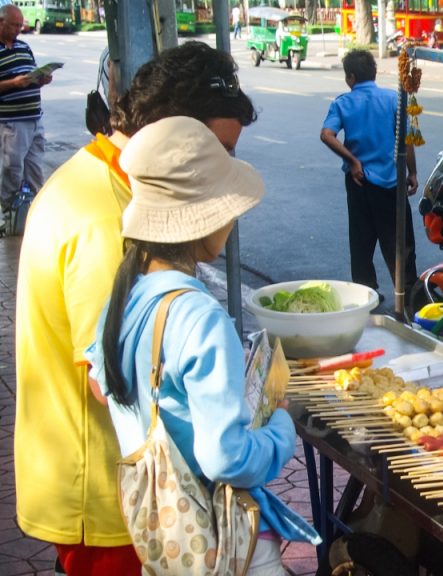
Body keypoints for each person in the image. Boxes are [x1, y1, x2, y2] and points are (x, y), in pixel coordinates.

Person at [15, 41, 257, 576]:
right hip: (110, 498)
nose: (223, 169)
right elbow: (118, 379)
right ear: (172, 136)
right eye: (215, 151)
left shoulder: (110, 183)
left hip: (117, 489)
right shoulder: (107, 217)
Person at [85, 115, 319, 575]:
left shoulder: (125, 291)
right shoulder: (198, 316)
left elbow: (102, 383)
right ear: (203, 217)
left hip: (166, 535)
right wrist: (281, 427)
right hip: (223, 537)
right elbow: (225, 456)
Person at [320, 49, 418, 300]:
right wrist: (413, 172)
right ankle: (406, 294)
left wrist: (352, 160)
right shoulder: (394, 99)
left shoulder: (342, 102)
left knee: (361, 240)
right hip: (392, 182)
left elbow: (326, 135)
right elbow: (406, 141)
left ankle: (367, 295)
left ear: (350, 77)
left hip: (359, 180)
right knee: (399, 240)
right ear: (374, 73)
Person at [0, 4, 52, 218]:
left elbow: (31, 76)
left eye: (20, 25)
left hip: (34, 118)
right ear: (1, 22)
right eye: (14, 25)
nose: (18, 29)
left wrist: (40, 80)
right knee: (12, 170)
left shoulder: (24, 47)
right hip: (12, 122)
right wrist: (13, 83)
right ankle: (9, 212)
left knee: (35, 168)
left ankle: (34, 213)